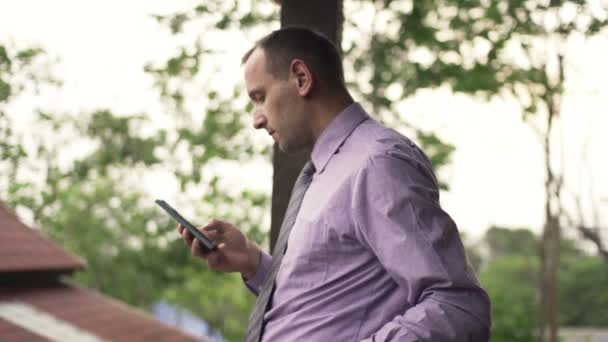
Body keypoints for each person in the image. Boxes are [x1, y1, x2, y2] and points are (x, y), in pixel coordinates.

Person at [178, 27, 492, 341]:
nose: (256, 119)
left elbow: (458, 306)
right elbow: (327, 306)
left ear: (301, 78)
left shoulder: (377, 163)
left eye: (260, 97)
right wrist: (254, 263)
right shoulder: (325, 173)